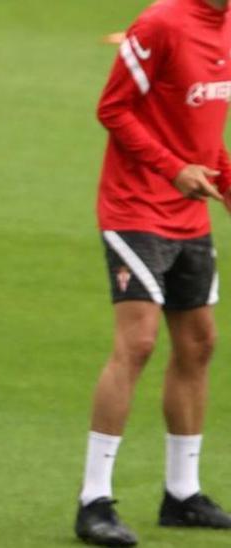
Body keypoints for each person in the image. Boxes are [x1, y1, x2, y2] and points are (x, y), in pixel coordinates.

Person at [75, 0, 231, 545]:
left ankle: (182, 493)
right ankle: (93, 500)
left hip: (189, 214)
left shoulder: (228, 26)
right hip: (135, 207)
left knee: (199, 343)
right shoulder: (162, 22)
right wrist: (173, 169)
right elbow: (113, 109)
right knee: (137, 342)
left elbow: (206, 132)